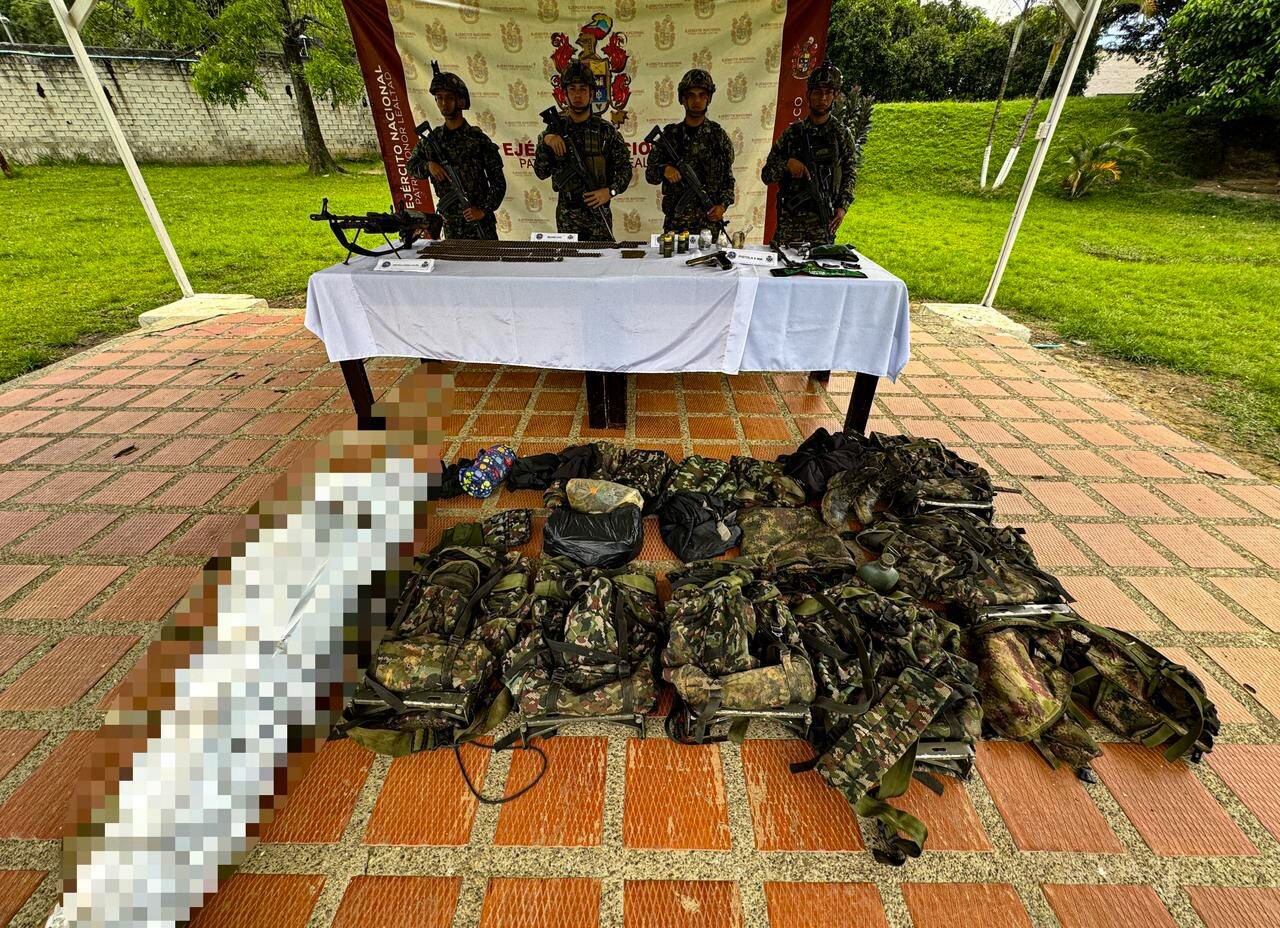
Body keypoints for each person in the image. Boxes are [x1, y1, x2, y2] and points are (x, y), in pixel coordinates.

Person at [533, 60, 633, 241]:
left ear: (592, 94)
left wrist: (609, 192)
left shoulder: (606, 131)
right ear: (565, 94)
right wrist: (546, 141)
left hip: (598, 215)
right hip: (567, 217)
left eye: (583, 89)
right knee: (569, 267)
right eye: (572, 89)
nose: (577, 95)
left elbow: (625, 169)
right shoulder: (554, 131)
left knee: (602, 263)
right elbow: (541, 172)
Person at [761, 61, 857, 247]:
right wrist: (787, 165)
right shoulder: (792, 134)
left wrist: (842, 207)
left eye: (828, 93)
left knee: (819, 272)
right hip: (790, 225)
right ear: (808, 95)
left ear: (835, 96)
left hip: (822, 225)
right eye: (817, 92)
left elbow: (850, 173)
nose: (822, 98)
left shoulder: (841, 135)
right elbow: (766, 174)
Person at [407, 62, 506, 240]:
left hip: (480, 226)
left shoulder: (478, 140)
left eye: (449, 98)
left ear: (460, 101)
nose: (444, 103)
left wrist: (483, 210)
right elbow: (412, 166)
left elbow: (498, 183)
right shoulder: (432, 140)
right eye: (439, 98)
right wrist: (429, 166)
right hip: (451, 226)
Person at [644, 69, 735, 236]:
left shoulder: (718, 137)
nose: (697, 100)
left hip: (709, 227)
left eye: (702, 95)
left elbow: (727, 180)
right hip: (676, 226)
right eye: (691, 95)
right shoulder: (670, 136)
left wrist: (722, 206)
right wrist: (664, 169)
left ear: (708, 99)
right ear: (682, 99)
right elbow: (650, 175)